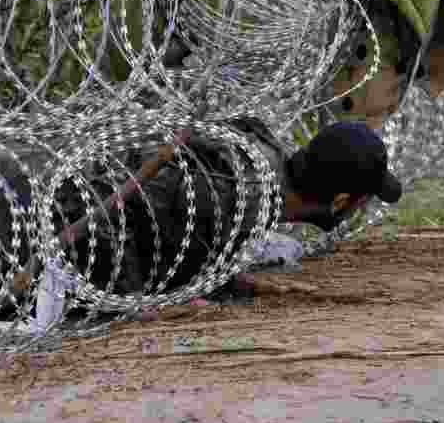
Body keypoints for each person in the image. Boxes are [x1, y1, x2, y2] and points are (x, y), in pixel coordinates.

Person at [55, 118, 402, 304]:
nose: (359, 210)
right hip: (64, 229)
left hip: (77, 191)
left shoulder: (258, 152)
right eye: (361, 201)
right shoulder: (243, 200)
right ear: (339, 202)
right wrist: (143, 302)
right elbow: (139, 236)